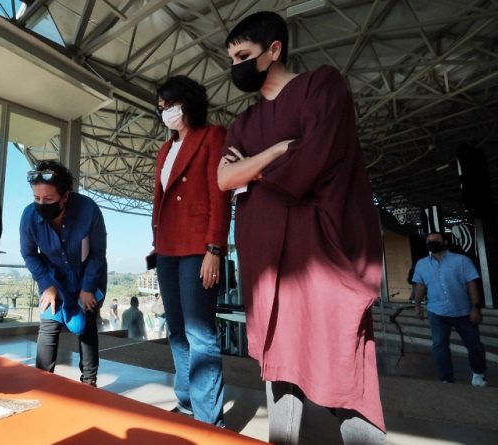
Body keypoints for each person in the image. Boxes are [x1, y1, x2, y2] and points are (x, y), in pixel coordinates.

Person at [218, 11, 386, 443]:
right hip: (267, 261)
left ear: (274, 49)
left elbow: (315, 158)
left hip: (320, 254)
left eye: (243, 55)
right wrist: (277, 151)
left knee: (343, 369)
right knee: (279, 368)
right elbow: (223, 178)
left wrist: (252, 168)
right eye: (231, 58)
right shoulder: (243, 122)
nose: (235, 65)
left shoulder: (321, 85)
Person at [151, 75, 231, 426]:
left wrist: (215, 248)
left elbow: (220, 194)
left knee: (200, 332)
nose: (165, 112)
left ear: (188, 103)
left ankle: (208, 418)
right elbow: (159, 201)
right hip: (167, 246)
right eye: (161, 107)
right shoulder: (164, 150)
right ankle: (186, 403)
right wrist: (155, 244)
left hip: (199, 245)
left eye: (170, 105)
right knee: (176, 329)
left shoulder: (212, 135)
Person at [20, 160, 107, 387]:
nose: (41, 204)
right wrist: (47, 285)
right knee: (49, 322)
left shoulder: (88, 210)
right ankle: (41, 381)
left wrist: (87, 288)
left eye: (48, 199)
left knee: (86, 325)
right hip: (53, 277)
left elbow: (97, 253)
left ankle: (89, 381)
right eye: (37, 198)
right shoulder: (29, 217)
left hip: (87, 273)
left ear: (65, 196)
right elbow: (29, 254)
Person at [412, 231, 487, 386]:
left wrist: (476, 307)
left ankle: (478, 373)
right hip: (437, 312)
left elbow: (471, 284)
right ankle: (446, 377)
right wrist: (417, 305)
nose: (431, 242)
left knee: (474, 345)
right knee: (439, 346)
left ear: (445, 242)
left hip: (463, 311)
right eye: (428, 240)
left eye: (435, 240)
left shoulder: (462, 260)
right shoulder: (422, 264)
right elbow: (420, 285)